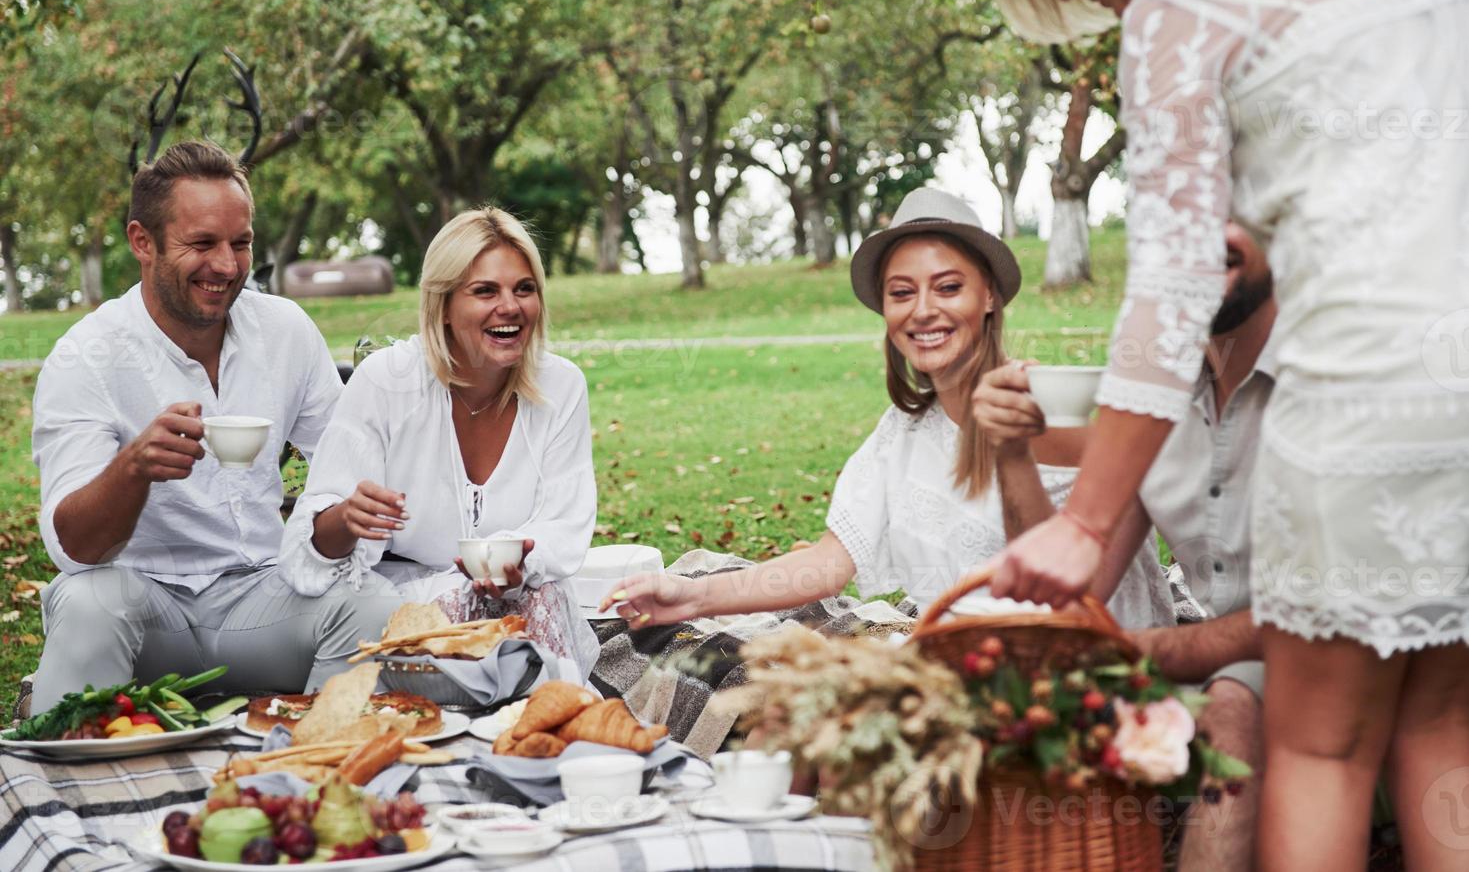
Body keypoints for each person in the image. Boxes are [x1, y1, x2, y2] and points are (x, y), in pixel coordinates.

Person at [977, 0, 1469, 868]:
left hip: (1354, 398)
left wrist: (1085, 523)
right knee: (1441, 730)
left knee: (1320, 748)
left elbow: (1174, 278)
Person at [600, 187, 1173, 630]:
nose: (923, 311)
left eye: (948, 288)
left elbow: (1074, 584)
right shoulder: (903, 432)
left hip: (1079, 670)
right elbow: (831, 562)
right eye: (902, 293)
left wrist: (1012, 450)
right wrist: (693, 597)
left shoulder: (1046, 404)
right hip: (964, 661)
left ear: (989, 296)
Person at [29, 140, 399, 713]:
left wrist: (352, 506)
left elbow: (346, 457)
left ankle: (309, 765)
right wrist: (134, 469)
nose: (226, 266)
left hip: (260, 596)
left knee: (372, 605)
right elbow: (74, 548)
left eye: (241, 243)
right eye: (202, 244)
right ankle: (72, 784)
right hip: (143, 605)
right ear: (142, 243)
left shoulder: (285, 331)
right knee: (86, 603)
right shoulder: (87, 357)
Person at [974, 220, 1275, 872]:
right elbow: (1072, 594)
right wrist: (1008, 450)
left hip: (1353, 651)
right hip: (1220, 653)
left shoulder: (1331, 375)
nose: (1195, 230)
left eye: (1228, 200)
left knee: (1233, 699)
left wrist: (1157, 651)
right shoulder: (1147, 394)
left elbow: (1327, 608)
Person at [277, 207, 599, 674]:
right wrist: (347, 518)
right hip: (397, 601)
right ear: (444, 306)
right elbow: (309, 551)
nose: (510, 306)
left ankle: (542, 725)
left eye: (524, 289)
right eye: (485, 291)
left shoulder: (561, 386)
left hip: (518, 599)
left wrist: (516, 563)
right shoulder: (387, 381)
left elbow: (564, 522)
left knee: (540, 594)